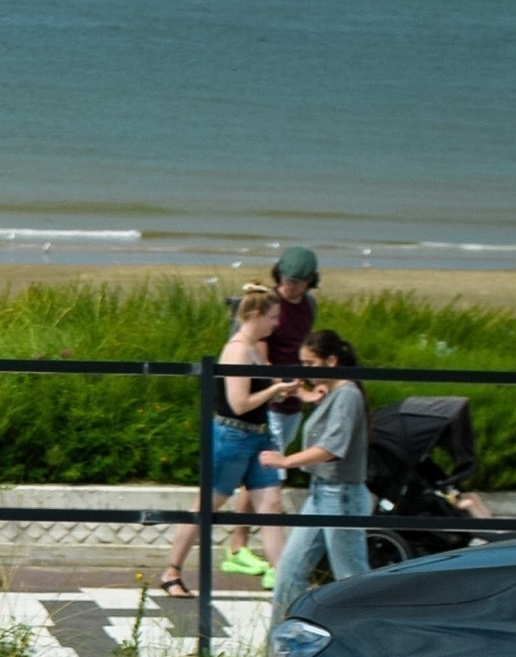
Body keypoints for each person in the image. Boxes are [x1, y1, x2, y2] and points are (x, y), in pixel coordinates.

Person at [157, 285, 303, 597]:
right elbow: (240, 403)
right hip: (233, 436)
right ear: (255, 315)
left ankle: (285, 579)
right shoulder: (237, 349)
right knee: (208, 505)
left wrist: (287, 388)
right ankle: (173, 571)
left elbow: (261, 388)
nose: (276, 324)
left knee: (272, 505)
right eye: (273, 317)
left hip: (258, 436)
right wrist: (274, 392)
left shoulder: (253, 347)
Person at [262, 330, 371, 620]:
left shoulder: (348, 395)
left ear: (331, 361)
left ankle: (373, 643)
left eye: (310, 365)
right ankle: (283, 645)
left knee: (351, 577)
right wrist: (304, 393)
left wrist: (285, 461)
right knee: (289, 571)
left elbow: (332, 448)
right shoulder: (333, 393)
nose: (305, 371)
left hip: (341, 495)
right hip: (322, 492)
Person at [265, 248, 318, 457]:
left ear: (309, 281)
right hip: (269, 395)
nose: (290, 287)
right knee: (270, 460)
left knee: (278, 455)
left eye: (297, 283)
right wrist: (275, 384)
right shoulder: (269, 301)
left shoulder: (309, 304)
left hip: (294, 394)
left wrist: (308, 385)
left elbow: (305, 348)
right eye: (286, 280)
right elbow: (258, 352)